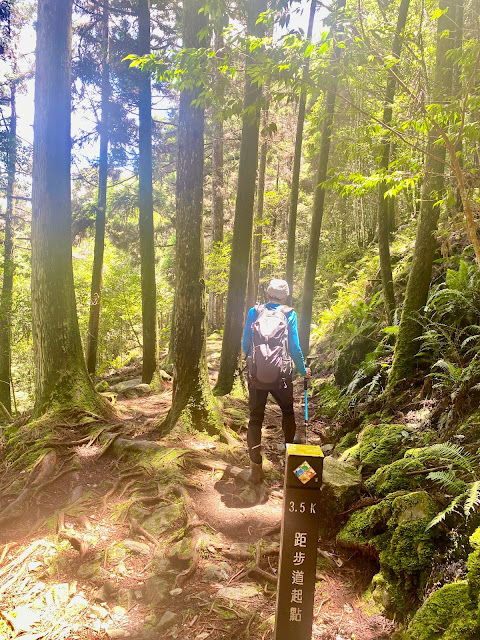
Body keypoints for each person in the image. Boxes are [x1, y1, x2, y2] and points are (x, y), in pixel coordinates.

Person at [242, 278, 311, 484]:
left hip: (256, 377)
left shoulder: (254, 312)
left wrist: (254, 365)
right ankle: (291, 461)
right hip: (282, 376)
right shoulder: (289, 314)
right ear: (286, 296)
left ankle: (256, 469)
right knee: (288, 412)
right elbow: (294, 347)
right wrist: (302, 369)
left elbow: (246, 342)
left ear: (267, 294)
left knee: (255, 419)